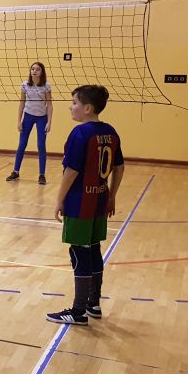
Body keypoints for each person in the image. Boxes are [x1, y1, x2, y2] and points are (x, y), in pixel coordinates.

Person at [47, 85, 124, 325]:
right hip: (100, 199)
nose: (70, 107)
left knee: (79, 252)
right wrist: (112, 196)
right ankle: (94, 303)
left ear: (88, 108)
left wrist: (59, 199)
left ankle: (78, 311)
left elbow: (71, 171)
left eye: (74, 103)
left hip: (80, 202)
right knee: (93, 249)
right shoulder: (111, 132)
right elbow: (120, 166)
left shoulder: (80, 133)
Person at [6, 62, 53, 184]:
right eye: (33, 69)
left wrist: (49, 122)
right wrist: (19, 121)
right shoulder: (25, 85)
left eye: (38, 69)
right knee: (22, 144)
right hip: (28, 116)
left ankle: (42, 175)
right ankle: (15, 171)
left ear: (42, 72)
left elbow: (49, 105)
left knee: (41, 145)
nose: (34, 71)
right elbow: (21, 103)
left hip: (42, 118)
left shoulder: (46, 86)